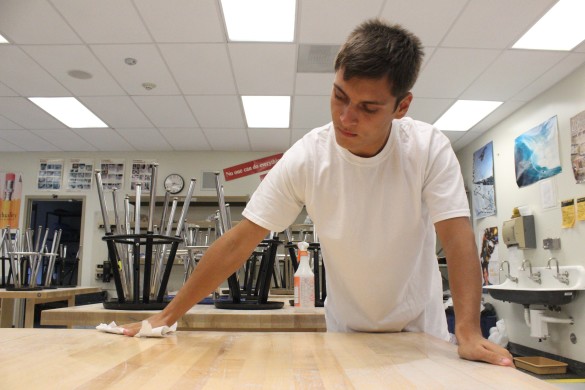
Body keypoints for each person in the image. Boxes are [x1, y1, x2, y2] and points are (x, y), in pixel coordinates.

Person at [121, 18, 513, 367]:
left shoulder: (428, 148)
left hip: (419, 329)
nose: (345, 117)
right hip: (345, 330)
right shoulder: (308, 157)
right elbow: (238, 242)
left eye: (368, 107)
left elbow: (458, 240)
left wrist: (468, 331)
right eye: (339, 96)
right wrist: (164, 317)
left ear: (401, 106)